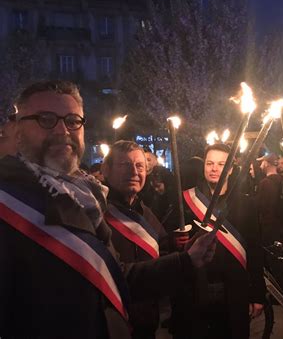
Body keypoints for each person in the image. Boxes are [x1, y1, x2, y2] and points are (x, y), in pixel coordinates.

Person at [0, 80, 216, 338]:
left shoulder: (85, 198)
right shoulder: (10, 202)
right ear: (17, 129)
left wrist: (186, 260)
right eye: (46, 119)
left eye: (72, 120)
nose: (62, 130)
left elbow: (116, 276)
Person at [174, 143, 265, 339]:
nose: (214, 168)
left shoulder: (246, 204)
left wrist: (257, 294)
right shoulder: (186, 202)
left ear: (231, 169)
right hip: (196, 288)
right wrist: (176, 241)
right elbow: (169, 242)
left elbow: (255, 250)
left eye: (222, 164)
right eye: (210, 163)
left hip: (233, 290)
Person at [102, 140, 170, 338]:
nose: (134, 171)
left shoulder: (146, 213)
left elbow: (163, 252)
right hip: (114, 325)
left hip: (148, 322)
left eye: (139, 165)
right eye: (124, 165)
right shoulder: (96, 212)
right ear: (106, 170)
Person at [256, 153, 283, 246]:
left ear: (266, 163)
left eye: (262, 162)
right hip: (280, 226)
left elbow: (263, 207)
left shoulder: (265, 183)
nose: (260, 165)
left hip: (268, 228)